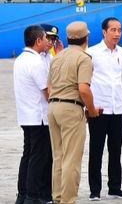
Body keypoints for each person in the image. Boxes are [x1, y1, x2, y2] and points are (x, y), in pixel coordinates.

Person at [47, 21, 100, 204]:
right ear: (86, 38)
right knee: (72, 159)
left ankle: (58, 197)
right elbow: (84, 89)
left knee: (58, 157)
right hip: (71, 108)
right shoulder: (84, 58)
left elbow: (50, 86)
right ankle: (68, 200)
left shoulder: (57, 57)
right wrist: (92, 111)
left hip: (53, 107)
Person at [87, 17, 122, 201]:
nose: (117, 34)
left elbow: (118, 77)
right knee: (96, 150)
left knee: (116, 150)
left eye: (119, 30)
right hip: (99, 109)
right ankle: (95, 190)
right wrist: (88, 107)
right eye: (113, 30)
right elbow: (85, 81)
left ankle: (115, 188)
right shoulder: (91, 53)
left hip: (117, 108)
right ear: (104, 32)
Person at [13, 25, 53, 204]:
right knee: (39, 158)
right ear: (38, 41)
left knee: (28, 155)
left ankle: (22, 195)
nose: (48, 42)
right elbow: (47, 92)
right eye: (46, 38)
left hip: (25, 115)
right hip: (39, 117)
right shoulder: (36, 62)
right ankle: (33, 196)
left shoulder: (20, 59)